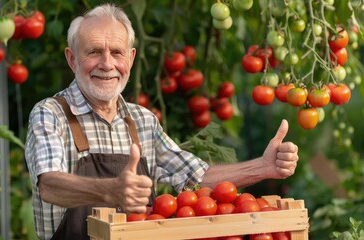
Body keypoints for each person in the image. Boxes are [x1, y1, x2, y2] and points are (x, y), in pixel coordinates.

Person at [24, 3, 299, 240]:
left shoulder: (141, 120)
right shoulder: (51, 113)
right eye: (94, 51)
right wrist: (109, 190)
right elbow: (49, 185)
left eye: (117, 52)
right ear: (72, 59)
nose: (107, 64)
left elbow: (196, 178)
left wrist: (263, 167)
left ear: (130, 59)